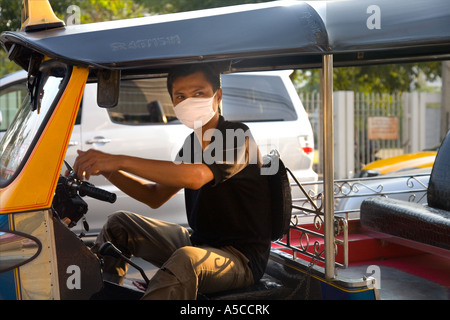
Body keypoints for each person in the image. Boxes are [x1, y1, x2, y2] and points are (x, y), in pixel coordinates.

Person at [73, 63, 272, 299]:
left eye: (199, 93)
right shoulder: (191, 144)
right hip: (200, 243)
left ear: (218, 96)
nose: (190, 101)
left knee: (185, 260)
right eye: (181, 96)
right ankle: (100, 294)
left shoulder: (236, 135)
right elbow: (154, 196)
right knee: (119, 225)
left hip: (240, 258)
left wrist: (118, 160)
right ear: (174, 103)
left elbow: (197, 177)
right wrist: (107, 170)